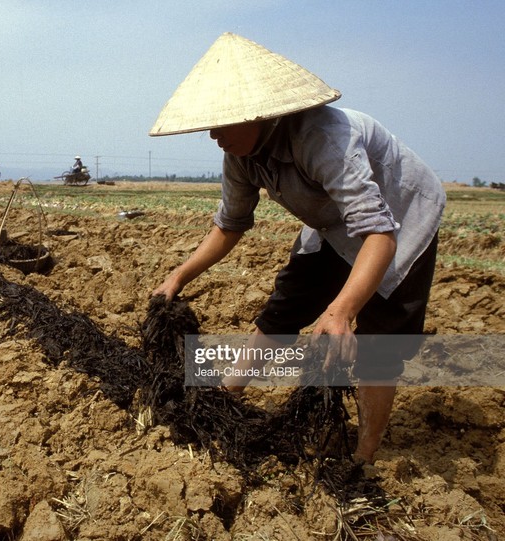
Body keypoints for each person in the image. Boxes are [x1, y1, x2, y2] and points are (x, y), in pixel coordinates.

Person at [150, 33, 446, 464]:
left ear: (260, 115)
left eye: (222, 123)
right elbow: (230, 225)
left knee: (379, 343)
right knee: (284, 307)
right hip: (328, 222)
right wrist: (179, 275)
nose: (213, 135)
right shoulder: (240, 155)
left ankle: (364, 455)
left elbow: (379, 235)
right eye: (208, 125)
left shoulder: (326, 139)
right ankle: (226, 397)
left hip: (399, 217)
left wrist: (342, 310)